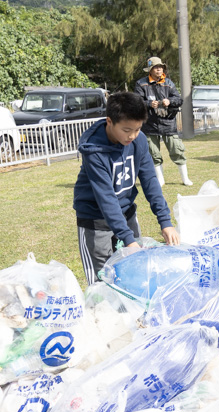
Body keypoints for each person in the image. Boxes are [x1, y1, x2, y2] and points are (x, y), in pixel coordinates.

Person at [74, 92, 180, 285]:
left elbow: (150, 182)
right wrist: (129, 241)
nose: (132, 135)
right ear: (109, 121)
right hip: (95, 221)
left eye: (138, 129)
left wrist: (165, 221)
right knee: (102, 281)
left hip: (126, 214)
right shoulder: (94, 151)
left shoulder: (138, 141)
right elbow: (106, 199)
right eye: (126, 130)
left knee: (134, 273)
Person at [134, 56, 192, 187]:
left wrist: (169, 101)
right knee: (153, 154)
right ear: (150, 70)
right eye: (156, 67)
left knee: (177, 150)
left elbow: (179, 100)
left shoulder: (169, 83)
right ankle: (160, 180)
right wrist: (149, 104)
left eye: (161, 67)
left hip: (168, 123)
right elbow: (136, 102)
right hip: (149, 124)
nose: (159, 69)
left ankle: (185, 179)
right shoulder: (141, 84)